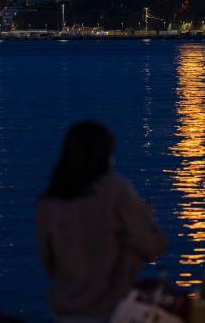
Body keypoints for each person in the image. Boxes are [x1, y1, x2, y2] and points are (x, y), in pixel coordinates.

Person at [36, 121, 167, 321]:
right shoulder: (115, 191)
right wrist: (143, 221)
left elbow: (49, 263)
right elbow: (152, 248)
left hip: (64, 311)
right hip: (111, 311)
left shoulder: (49, 203)